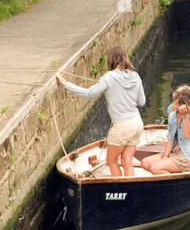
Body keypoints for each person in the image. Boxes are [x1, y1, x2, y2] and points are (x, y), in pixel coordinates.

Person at [55, 47, 146, 178]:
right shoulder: (135, 75)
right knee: (127, 161)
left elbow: (89, 93)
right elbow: (141, 102)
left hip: (122, 126)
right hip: (137, 124)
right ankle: (131, 193)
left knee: (111, 161)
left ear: (111, 60)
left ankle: (120, 190)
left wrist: (65, 83)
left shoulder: (109, 77)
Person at [144, 85, 190, 175]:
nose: (173, 105)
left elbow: (187, 135)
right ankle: (168, 175)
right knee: (145, 163)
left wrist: (185, 116)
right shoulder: (173, 115)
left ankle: (171, 186)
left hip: (188, 156)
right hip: (174, 152)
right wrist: (165, 155)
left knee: (155, 167)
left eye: (176, 102)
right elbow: (170, 139)